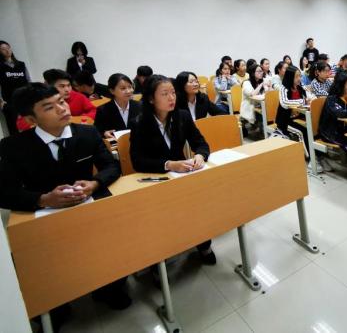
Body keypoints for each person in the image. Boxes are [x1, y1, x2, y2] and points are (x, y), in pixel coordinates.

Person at [0, 83, 130, 318]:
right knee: (39, 264)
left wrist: (94, 183)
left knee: (114, 239)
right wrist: (43, 198)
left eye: (61, 101)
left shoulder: (87, 133)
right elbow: (5, 192)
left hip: (88, 207)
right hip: (44, 216)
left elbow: (112, 166)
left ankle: (109, 288)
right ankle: (55, 306)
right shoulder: (13, 147)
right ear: (31, 119)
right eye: (49, 107)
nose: (62, 109)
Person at [129, 75, 216, 265]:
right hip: (156, 179)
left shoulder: (182, 116)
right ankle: (160, 258)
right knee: (162, 218)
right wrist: (168, 164)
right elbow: (138, 161)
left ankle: (203, 244)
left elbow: (201, 143)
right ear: (151, 99)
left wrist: (200, 156)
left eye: (173, 93)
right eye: (165, 94)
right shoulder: (139, 123)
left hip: (182, 176)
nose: (171, 98)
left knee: (197, 207)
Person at [17, 69, 97, 132]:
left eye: (69, 85)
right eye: (62, 86)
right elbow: (22, 123)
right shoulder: (37, 100)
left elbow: (92, 110)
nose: (67, 90)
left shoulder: (78, 96)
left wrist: (77, 119)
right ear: (48, 86)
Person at [274, 66, 318, 164]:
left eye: (300, 76)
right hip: (285, 120)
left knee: (313, 128)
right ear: (290, 77)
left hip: (299, 118)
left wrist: (313, 100)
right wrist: (303, 101)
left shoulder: (300, 87)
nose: (299, 79)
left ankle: (317, 154)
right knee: (302, 132)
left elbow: (312, 97)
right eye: (296, 76)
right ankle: (311, 158)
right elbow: (285, 103)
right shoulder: (283, 88)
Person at [94, 73, 141, 140]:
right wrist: (104, 133)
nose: (128, 91)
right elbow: (97, 131)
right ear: (112, 91)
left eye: (130, 87)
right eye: (123, 88)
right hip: (115, 144)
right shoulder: (103, 110)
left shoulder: (140, 106)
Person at [0, 40, 31, 135]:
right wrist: (1, 101)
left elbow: (28, 81)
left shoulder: (21, 64)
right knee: (14, 129)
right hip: (9, 102)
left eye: (8, 48)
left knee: (28, 125)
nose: (7, 50)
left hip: (24, 100)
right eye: (3, 49)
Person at [240, 64, 272, 131]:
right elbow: (252, 94)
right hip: (249, 107)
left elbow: (268, 94)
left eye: (261, 71)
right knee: (264, 114)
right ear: (252, 73)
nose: (261, 73)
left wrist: (269, 86)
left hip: (260, 106)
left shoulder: (261, 81)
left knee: (271, 111)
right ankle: (264, 130)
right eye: (259, 71)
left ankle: (266, 129)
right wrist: (261, 84)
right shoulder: (246, 83)